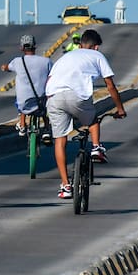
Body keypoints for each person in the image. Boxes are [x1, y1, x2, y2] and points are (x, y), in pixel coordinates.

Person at [45, 29, 126, 199]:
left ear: (81, 44)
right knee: (93, 120)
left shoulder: (65, 57)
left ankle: (66, 186)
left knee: (60, 140)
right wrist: (120, 109)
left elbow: (50, 80)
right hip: (77, 96)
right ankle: (96, 148)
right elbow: (110, 85)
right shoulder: (97, 56)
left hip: (53, 97)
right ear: (96, 47)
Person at [0, 34, 53, 144]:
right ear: (35, 46)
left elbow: (7, 67)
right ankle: (47, 129)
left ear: (21, 48)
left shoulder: (17, 61)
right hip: (41, 100)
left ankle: (22, 125)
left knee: (21, 99)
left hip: (24, 102)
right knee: (45, 108)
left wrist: (4, 67)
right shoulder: (46, 61)